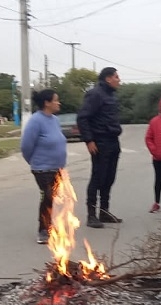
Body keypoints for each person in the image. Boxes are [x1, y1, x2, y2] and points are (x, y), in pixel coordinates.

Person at [77, 67, 123, 229]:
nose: (119, 80)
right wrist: (89, 140)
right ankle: (91, 215)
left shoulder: (111, 95)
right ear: (108, 78)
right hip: (100, 142)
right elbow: (82, 118)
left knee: (109, 178)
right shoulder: (95, 94)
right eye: (116, 77)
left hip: (113, 141)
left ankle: (104, 212)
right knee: (98, 178)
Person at [20, 89, 66, 244]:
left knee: (54, 199)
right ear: (47, 103)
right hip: (42, 169)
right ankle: (43, 230)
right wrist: (34, 162)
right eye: (56, 100)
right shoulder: (36, 121)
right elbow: (26, 146)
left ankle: (51, 225)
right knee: (47, 197)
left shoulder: (55, 120)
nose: (58, 103)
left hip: (57, 167)